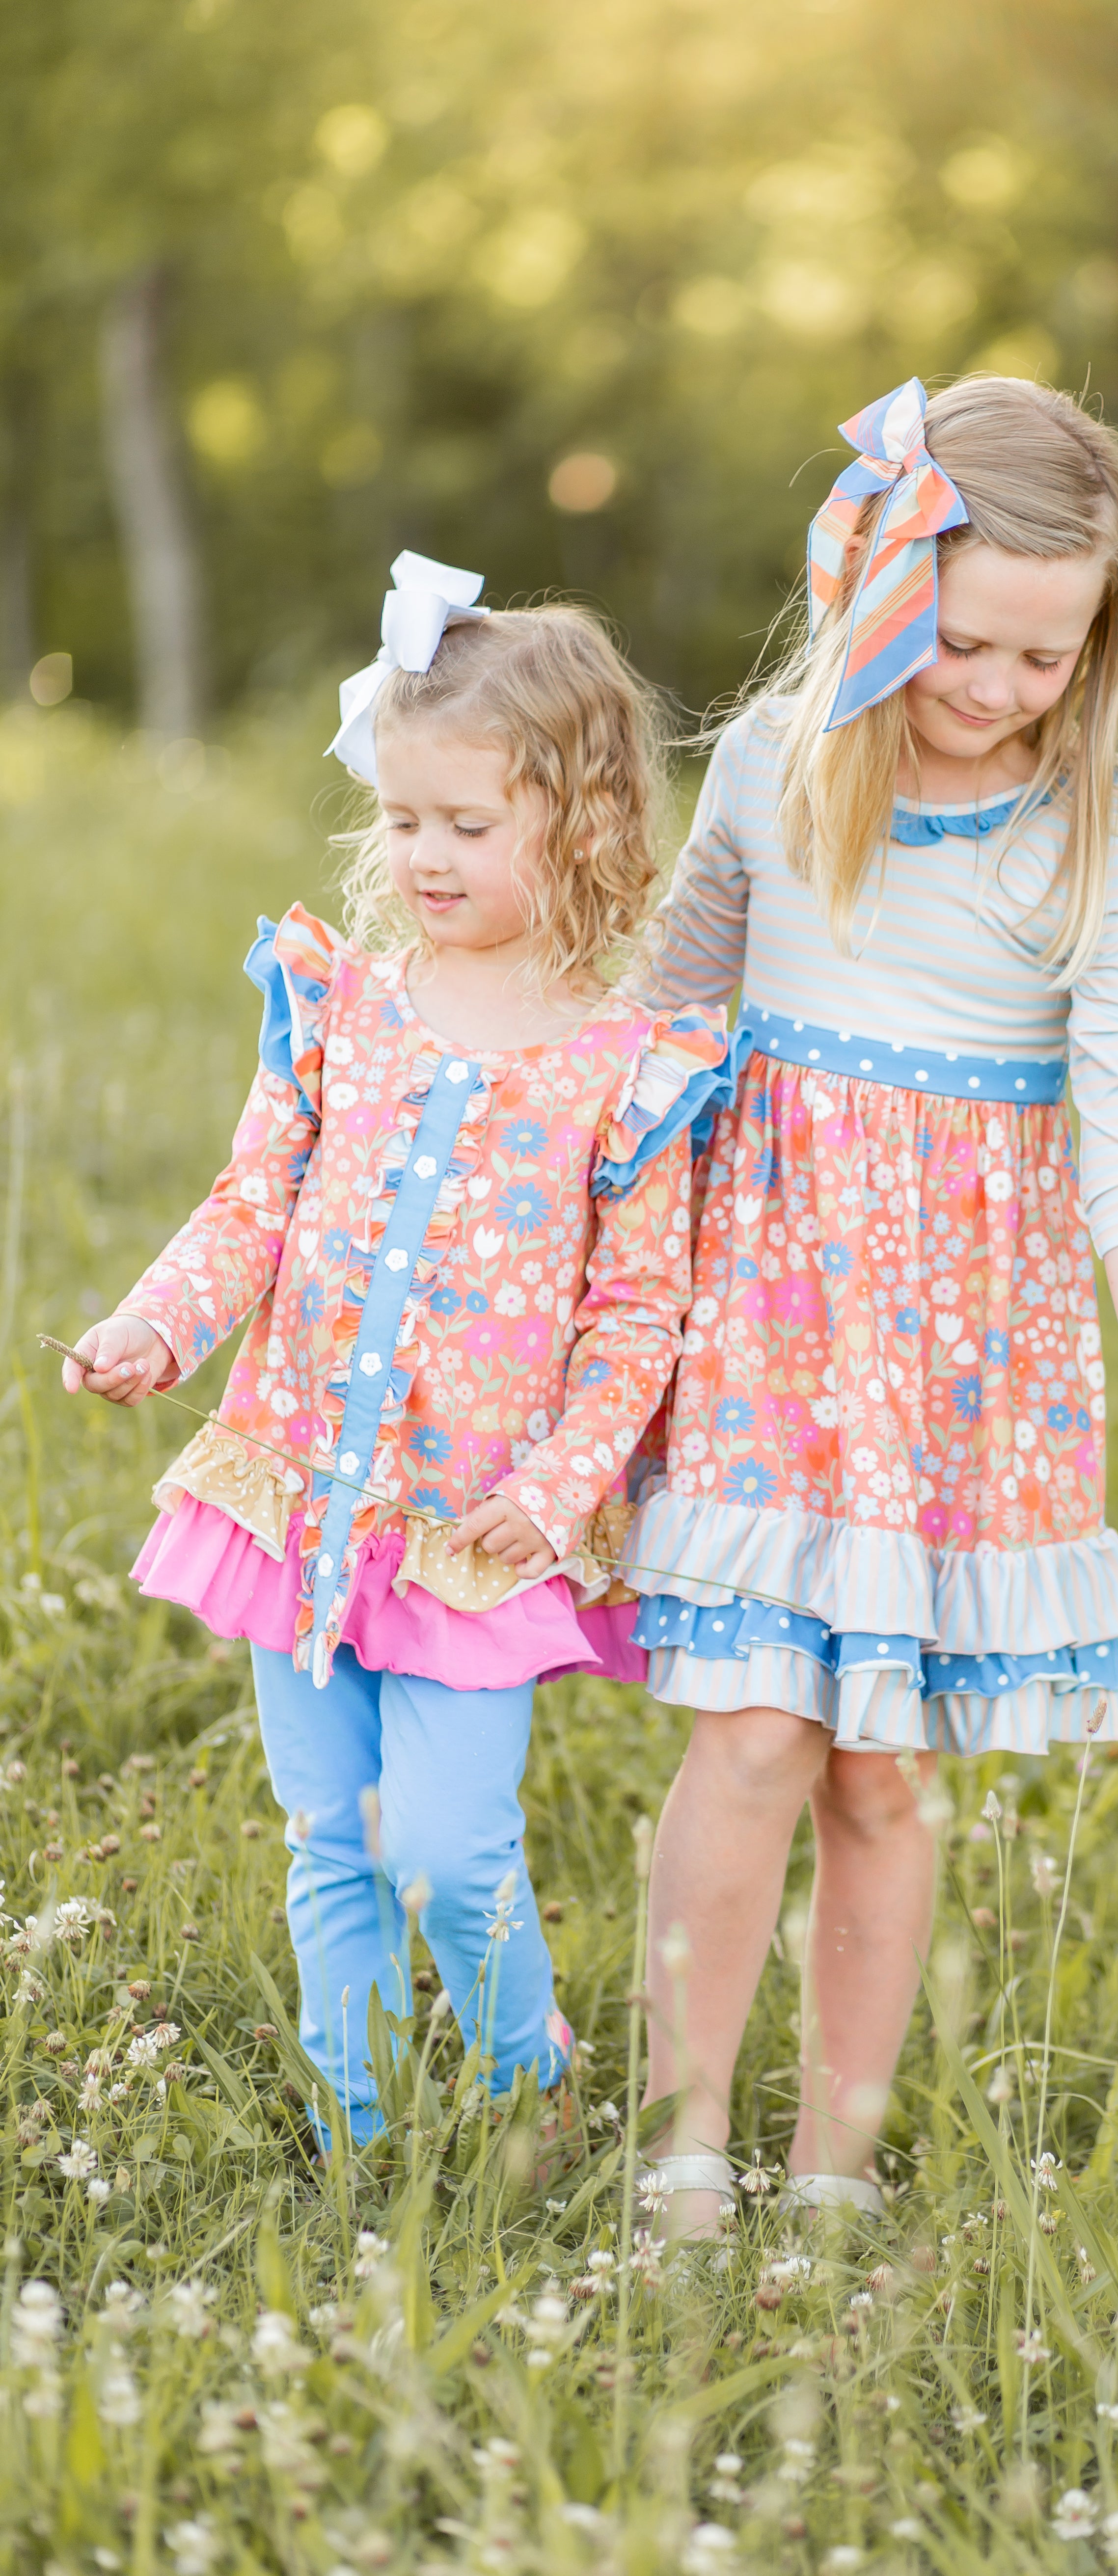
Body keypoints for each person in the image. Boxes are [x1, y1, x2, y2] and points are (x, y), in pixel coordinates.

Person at [621, 375, 1118, 2222]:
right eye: (965, 641)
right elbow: (658, 1036)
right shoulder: (771, 763)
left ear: (1102, 643)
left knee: (879, 1777)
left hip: (961, 1362)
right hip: (766, 1317)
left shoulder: (1102, 842)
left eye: (1046, 657)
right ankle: (680, 2152)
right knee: (752, 1734)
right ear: (882, 590)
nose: (998, 688)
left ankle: (828, 2173)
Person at [63, 554, 735, 2146]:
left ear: (574, 823)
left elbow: (640, 1313)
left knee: (445, 1841)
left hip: (476, 1534)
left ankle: (527, 2081)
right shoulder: (339, 1007)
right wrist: (158, 1319)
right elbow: (253, 1201)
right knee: (330, 1830)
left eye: (467, 824)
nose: (424, 855)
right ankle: (358, 2118)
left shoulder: (625, 1069)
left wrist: (568, 1487)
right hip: (299, 1491)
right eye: (406, 819)